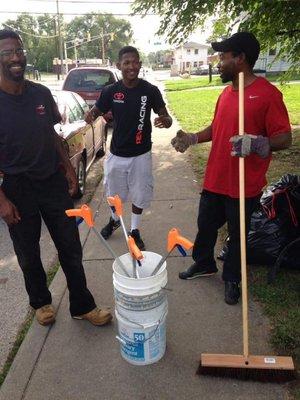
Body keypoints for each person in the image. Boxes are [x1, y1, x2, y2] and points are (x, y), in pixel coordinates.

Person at [0, 29, 112, 326]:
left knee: (70, 245)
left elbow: (52, 135)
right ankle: (41, 302)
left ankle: (82, 305)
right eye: (8, 53)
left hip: (51, 182)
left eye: (19, 51)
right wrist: (2, 200)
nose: (16, 58)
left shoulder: (40, 93)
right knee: (28, 252)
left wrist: (69, 171)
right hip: (17, 188)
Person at [171, 32, 292, 305]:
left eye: (224, 58)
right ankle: (203, 263)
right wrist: (192, 138)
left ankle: (232, 278)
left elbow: (285, 137)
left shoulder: (268, 95)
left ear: (241, 59)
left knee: (237, 236)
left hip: (243, 184)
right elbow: (217, 129)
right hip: (215, 178)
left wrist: (259, 143)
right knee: (205, 225)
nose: (219, 63)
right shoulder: (226, 94)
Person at [85, 46, 172, 250]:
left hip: (141, 154)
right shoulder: (111, 91)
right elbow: (97, 109)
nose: (131, 66)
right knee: (113, 194)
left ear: (140, 64)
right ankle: (115, 219)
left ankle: (134, 230)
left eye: (135, 62)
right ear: (119, 66)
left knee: (140, 194)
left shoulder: (150, 90)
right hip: (116, 154)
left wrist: (165, 120)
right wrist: (91, 114)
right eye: (127, 63)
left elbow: (164, 114)